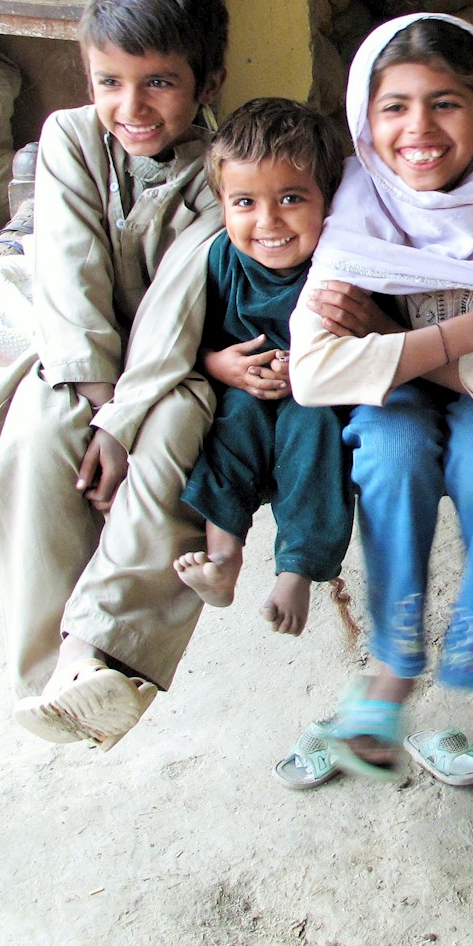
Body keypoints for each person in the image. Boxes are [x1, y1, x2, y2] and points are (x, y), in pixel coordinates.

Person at [286, 14, 473, 798]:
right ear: (364, 117)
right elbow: (314, 373)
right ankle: (391, 664)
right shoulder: (358, 204)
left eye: (446, 103)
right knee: (391, 454)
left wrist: (403, 341)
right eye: (394, 106)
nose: (418, 129)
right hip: (409, 395)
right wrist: (466, 333)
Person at [0, 0, 228, 748]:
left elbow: (175, 313)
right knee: (31, 444)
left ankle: (108, 659)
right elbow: (72, 273)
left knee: (168, 461)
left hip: (177, 363)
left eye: (158, 83)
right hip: (76, 352)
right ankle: (50, 681)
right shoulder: (71, 138)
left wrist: (119, 423)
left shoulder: (227, 173)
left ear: (207, 81)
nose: (131, 106)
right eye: (109, 82)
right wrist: (91, 405)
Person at [169, 97, 356, 643]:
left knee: (314, 431)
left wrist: (318, 367)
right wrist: (221, 367)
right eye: (245, 202)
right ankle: (224, 557)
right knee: (232, 424)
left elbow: (374, 339)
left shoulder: (341, 263)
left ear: (329, 200)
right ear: (222, 205)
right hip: (247, 388)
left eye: (291, 198)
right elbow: (195, 341)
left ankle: (296, 569)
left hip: (320, 394)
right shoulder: (221, 261)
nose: (268, 221)